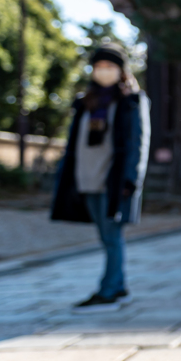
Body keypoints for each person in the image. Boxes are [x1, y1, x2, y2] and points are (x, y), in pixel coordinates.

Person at [51, 43, 150, 311]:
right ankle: (116, 285)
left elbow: (138, 143)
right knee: (105, 236)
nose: (104, 72)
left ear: (121, 70)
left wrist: (132, 179)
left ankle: (109, 288)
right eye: (99, 67)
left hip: (113, 180)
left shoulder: (131, 102)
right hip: (86, 177)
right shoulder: (86, 103)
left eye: (110, 67)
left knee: (112, 234)